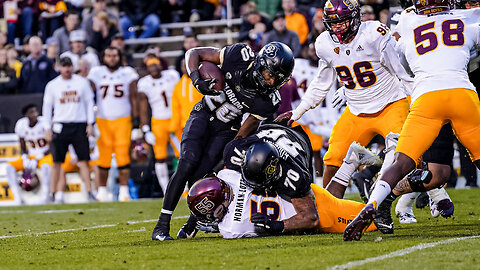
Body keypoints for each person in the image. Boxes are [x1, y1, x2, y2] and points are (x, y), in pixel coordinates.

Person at [344, 2, 480, 241]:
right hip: (462, 94)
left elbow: (401, 64)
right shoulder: (466, 21)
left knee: (402, 162)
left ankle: (373, 202)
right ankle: (390, 199)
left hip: (426, 98)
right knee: (438, 172)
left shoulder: (408, 25)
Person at [151, 42, 294, 241]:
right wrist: (195, 79)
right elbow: (194, 53)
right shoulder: (240, 56)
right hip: (204, 114)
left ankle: (193, 223)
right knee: (187, 162)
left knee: (202, 177)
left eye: (277, 79)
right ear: (260, 63)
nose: (271, 82)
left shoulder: (269, 99)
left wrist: (227, 153)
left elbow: (244, 131)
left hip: (227, 129)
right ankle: (162, 225)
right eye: (270, 74)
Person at [275, 0, 413, 201]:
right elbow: (321, 83)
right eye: (334, 22)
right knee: (332, 158)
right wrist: (298, 112)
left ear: (355, 18)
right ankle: (330, 207)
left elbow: (400, 71)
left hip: (391, 103)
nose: (338, 26)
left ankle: (386, 203)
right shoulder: (325, 43)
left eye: (343, 21)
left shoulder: (374, 33)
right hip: (356, 110)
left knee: (405, 155)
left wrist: (415, 97)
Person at [188, 173, 377, 238]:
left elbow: (266, 228)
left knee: (372, 220)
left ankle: (380, 179)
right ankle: (349, 164)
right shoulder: (227, 176)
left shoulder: (231, 228)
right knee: (334, 198)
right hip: (299, 189)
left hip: (309, 213)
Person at [88, 47, 140, 202]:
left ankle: (123, 192)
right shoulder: (96, 72)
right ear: (103, 57)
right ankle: (102, 192)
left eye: (114, 55)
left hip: (123, 119)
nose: (111, 58)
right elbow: (88, 95)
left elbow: (134, 97)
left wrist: (136, 123)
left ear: (119, 57)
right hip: (102, 120)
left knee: (123, 157)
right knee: (103, 157)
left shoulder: (127, 73)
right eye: (108, 55)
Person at [42, 57, 95, 204]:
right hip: (60, 125)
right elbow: (47, 108)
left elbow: (89, 103)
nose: (67, 69)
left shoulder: (81, 82)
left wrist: (90, 123)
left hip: (79, 124)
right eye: (64, 66)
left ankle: (90, 192)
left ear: (72, 67)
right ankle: (52, 193)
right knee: (56, 162)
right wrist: (47, 127)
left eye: (69, 66)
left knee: (84, 161)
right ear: (58, 68)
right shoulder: (53, 85)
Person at [138, 57, 181, 195]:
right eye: (151, 65)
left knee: (183, 155)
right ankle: (166, 190)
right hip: (158, 122)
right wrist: (146, 129)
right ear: (147, 68)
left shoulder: (172, 76)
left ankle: (185, 188)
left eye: (156, 64)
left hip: (175, 119)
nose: (154, 68)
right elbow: (143, 108)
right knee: (160, 157)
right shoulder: (145, 83)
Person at [6, 104, 51, 205]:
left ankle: (46, 196)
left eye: (35, 112)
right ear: (26, 115)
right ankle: (17, 198)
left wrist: (40, 157)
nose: (35, 114)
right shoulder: (21, 124)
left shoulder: (44, 122)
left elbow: (51, 144)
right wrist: (24, 157)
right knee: (9, 167)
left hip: (45, 155)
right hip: (31, 155)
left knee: (45, 166)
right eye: (31, 112)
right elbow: (22, 144)